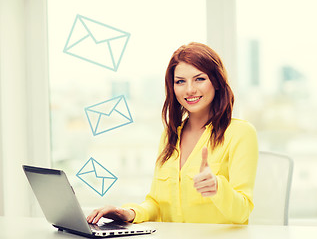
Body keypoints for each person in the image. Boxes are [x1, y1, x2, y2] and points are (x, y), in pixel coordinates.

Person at [87, 42, 258, 225]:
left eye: (199, 79)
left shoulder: (240, 133)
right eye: (180, 81)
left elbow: (242, 212)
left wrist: (217, 187)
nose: (190, 89)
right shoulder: (170, 136)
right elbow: (157, 204)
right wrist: (128, 213)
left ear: (216, 82)